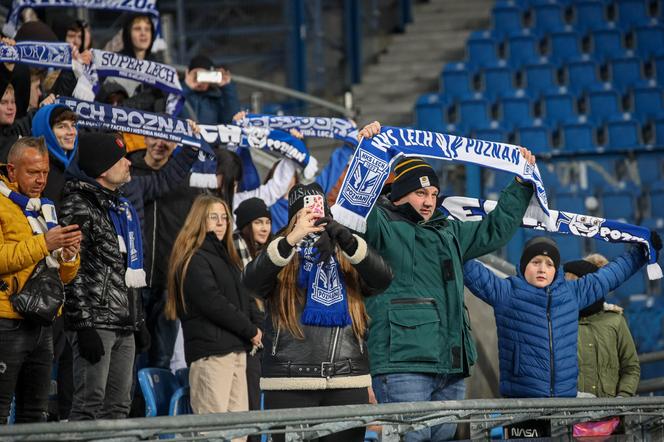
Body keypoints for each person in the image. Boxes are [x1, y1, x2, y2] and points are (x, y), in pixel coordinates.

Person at [357, 121, 536, 441]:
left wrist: (522, 183)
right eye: (419, 192)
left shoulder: (450, 230)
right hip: (402, 365)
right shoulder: (379, 224)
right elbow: (355, 208)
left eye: (434, 193)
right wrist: (365, 154)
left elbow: (495, 229)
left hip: (451, 366)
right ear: (398, 194)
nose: (428, 201)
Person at [243, 183, 393, 442]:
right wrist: (291, 239)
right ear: (293, 218)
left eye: (319, 213)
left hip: (347, 380)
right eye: (305, 214)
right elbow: (251, 283)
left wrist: (346, 239)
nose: (314, 219)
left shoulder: (345, 249)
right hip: (289, 381)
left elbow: (383, 279)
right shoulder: (280, 249)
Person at [462, 235, 658, 399]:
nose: (542, 269)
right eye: (535, 262)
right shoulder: (506, 292)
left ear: (556, 270)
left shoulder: (570, 294)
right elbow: (468, 267)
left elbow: (610, 276)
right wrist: (450, 236)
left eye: (549, 264)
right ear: (523, 266)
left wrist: (640, 254)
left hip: (565, 404)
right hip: (522, 404)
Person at [60, 132, 146, 420]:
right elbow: (72, 269)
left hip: (124, 323)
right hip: (96, 322)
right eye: (121, 159)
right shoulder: (78, 205)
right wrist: (84, 325)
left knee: (119, 406)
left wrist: (138, 319)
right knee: (89, 405)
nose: (128, 164)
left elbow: (126, 270)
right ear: (103, 168)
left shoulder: (122, 207)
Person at [0, 137, 81, 424]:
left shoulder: (45, 207)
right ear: (12, 171)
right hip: (6, 321)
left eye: (45, 172)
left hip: (42, 323)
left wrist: (69, 256)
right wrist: (44, 244)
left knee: (35, 415)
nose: (40, 180)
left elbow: (61, 276)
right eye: (33, 172)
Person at [165, 195, 259, 430]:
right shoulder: (194, 258)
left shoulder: (228, 258)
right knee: (213, 433)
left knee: (240, 432)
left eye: (224, 218)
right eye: (213, 217)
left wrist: (258, 326)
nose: (220, 223)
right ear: (199, 221)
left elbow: (246, 298)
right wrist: (250, 330)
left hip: (237, 350)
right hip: (212, 356)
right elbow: (212, 302)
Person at [128, 135, 203, 369]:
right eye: (154, 136)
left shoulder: (188, 181)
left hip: (168, 284)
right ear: (144, 137)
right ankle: (133, 407)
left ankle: (154, 406)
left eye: (168, 139)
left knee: (162, 358)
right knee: (131, 355)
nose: (160, 143)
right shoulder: (127, 172)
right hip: (134, 284)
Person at [564, 259, 640, 398]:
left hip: (611, 415)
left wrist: (623, 397)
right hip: (570, 415)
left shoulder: (615, 321)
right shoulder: (559, 323)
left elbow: (631, 367)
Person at [232, 197, 272, 437]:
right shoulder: (234, 254)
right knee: (251, 411)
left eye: (267, 221)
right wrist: (254, 331)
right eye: (258, 222)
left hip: (262, 342)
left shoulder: (265, 254)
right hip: (246, 345)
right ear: (246, 225)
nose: (265, 227)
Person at [31, 104, 78, 206]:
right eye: (62, 126)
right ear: (46, 131)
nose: (71, 132)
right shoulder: (34, 168)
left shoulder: (77, 167)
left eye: (73, 125)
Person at [180, 54, 240, 125]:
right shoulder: (175, 92)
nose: (200, 80)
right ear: (187, 73)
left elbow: (230, 120)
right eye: (196, 75)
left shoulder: (215, 99)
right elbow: (171, 110)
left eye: (205, 76)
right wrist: (186, 87)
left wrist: (227, 87)